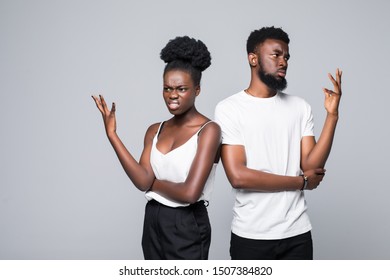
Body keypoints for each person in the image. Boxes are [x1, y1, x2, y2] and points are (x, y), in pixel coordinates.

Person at [214, 26, 342, 260]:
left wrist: (332, 116)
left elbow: (310, 166)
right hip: (250, 236)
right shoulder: (229, 109)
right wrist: (301, 182)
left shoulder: (300, 107)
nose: (283, 61)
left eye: (286, 57)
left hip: (298, 234)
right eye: (275, 54)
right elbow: (238, 176)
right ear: (253, 58)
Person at [92, 36, 221, 260]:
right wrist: (112, 135)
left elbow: (190, 193)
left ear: (197, 90)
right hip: (153, 219)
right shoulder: (155, 130)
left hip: (187, 222)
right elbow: (141, 181)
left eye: (181, 89)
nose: (172, 95)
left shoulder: (209, 130)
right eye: (167, 88)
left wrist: (153, 183)